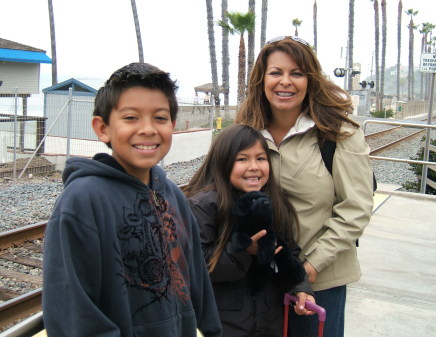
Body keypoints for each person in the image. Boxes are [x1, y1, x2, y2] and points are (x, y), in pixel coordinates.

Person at [42, 62, 222, 337]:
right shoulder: (81, 201)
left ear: (172, 125)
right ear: (102, 128)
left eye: (160, 118)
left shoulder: (173, 194)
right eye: (131, 118)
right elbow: (73, 313)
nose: (148, 129)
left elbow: (197, 282)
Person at [235, 36, 374, 337]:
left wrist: (306, 271)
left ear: (311, 80)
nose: (285, 82)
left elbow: (355, 210)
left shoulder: (339, 133)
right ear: (262, 79)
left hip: (319, 281)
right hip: (257, 279)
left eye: (296, 73)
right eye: (276, 73)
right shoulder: (245, 131)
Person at [183, 124, 315, 337]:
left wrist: (301, 288)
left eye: (261, 159)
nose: (254, 166)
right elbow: (198, 268)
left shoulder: (273, 203)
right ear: (222, 162)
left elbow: (290, 254)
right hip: (221, 325)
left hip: (269, 323)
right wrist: (245, 251)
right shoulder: (204, 206)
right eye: (242, 159)